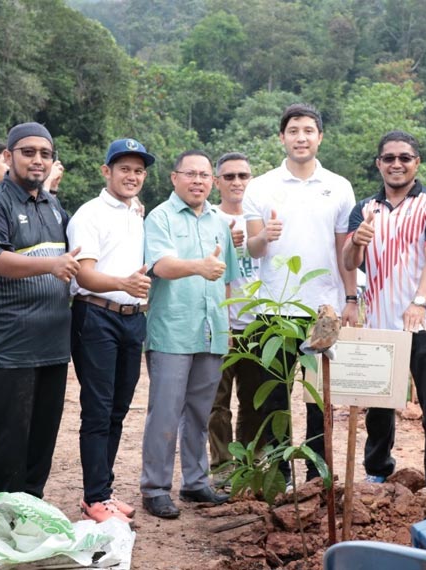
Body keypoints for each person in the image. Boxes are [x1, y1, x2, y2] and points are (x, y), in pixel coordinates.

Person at [244, 104, 358, 485]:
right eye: (293, 130)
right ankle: (279, 476)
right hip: (274, 309)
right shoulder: (260, 186)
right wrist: (265, 236)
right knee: (276, 397)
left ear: (320, 136)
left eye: (308, 130)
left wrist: (351, 298)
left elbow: (345, 249)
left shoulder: (339, 186)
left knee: (318, 399)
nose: (301, 137)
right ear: (282, 137)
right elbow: (254, 249)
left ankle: (315, 475)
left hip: (322, 310)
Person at [342, 130, 426, 495]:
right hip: (379, 322)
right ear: (379, 163)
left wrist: (419, 301)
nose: (397, 164)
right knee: (378, 409)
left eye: (405, 157)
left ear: (417, 163)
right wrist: (356, 244)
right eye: (389, 158)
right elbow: (349, 262)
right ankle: (377, 470)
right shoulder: (364, 209)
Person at [0, 122, 79, 497]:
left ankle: (27, 528)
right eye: (28, 152)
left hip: (51, 348)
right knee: (2, 453)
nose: (38, 160)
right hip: (5, 349)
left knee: (39, 448)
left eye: (45, 154)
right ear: (7, 156)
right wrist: (51, 265)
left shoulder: (53, 205)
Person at [140, 150, 239, 519]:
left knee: (201, 413)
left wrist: (226, 324)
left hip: (211, 331)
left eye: (204, 175)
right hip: (172, 329)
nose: (198, 181)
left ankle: (196, 482)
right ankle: (155, 488)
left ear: (213, 182)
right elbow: (161, 265)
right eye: (190, 174)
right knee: (165, 412)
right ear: (174, 178)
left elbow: (226, 279)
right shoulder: (160, 217)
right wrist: (199, 267)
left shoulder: (218, 220)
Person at [67, 138, 155, 524]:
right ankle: (94, 496)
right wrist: (123, 282)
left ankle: (103, 490)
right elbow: (83, 273)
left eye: (138, 170)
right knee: (98, 409)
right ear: (106, 172)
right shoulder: (89, 214)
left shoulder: (135, 213)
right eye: (124, 169)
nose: (131, 176)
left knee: (119, 408)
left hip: (132, 318)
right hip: (96, 315)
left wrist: (130, 292)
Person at [207, 152, 264, 478]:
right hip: (220, 322)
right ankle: (222, 466)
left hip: (259, 322)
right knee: (217, 403)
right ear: (217, 182)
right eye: (229, 176)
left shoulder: (260, 218)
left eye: (243, 176)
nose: (236, 182)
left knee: (254, 401)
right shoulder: (209, 217)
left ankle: (249, 465)